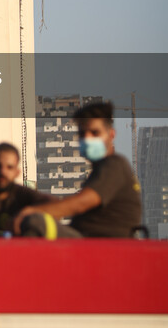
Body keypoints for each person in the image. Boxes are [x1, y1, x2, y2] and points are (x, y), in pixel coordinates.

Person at [14, 100, 143, 238]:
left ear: (111, 135)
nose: (87, 138)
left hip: (99, 243)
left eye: (95, 133)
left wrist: (32, 212)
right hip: (84, 238)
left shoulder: (114, 165)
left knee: (36, 222)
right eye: (82, 133)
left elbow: (81, 203)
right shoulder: (100, 170)